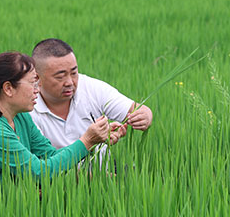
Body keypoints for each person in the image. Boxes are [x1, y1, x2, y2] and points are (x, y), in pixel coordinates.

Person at [0, 52, 121, 212]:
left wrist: (96, 141)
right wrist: (87, 141)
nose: (38, 90)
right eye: (33, 83)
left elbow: (48, 155)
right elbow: (39, 172)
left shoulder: (20, 117)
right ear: (8, 88)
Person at [29, 39, 153, 169]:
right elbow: (39, 166)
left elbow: (136, 109)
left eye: (73, 73)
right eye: (60, 77)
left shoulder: (91, 88)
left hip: (104, 169)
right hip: (55, 178)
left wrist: (145, 115)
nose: (70, 82)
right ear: (37, 79)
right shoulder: (27, 107)